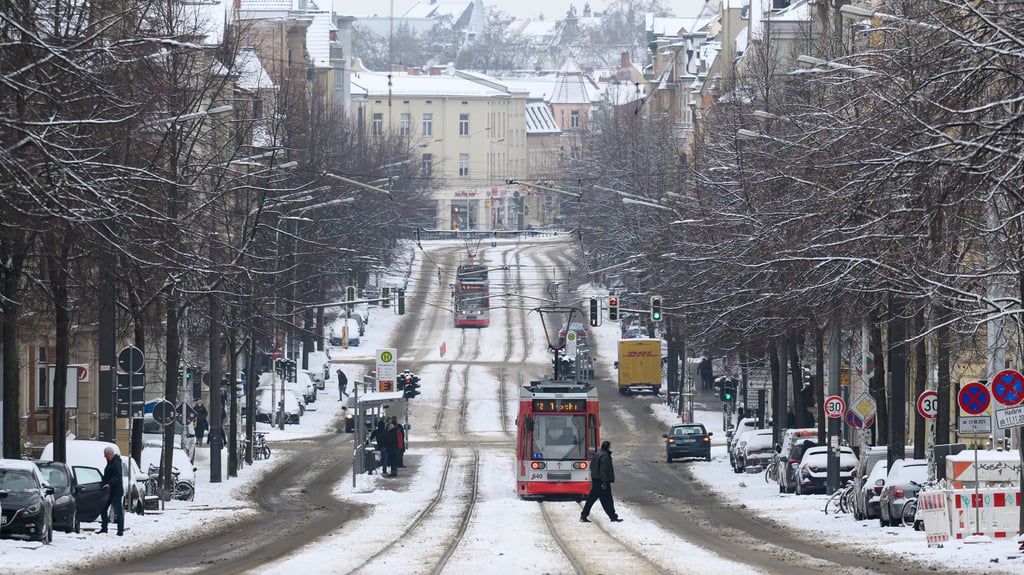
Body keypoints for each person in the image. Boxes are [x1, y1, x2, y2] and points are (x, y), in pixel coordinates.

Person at [580, 440, 622, 523]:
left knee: (591, 500)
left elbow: (592, 467)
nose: (610, 448)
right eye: (610, 447)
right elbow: (604, 470)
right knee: (607, 500)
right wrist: (604, 482)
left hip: (596, 481)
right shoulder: (605, 456)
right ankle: (613, 517)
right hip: (602, 481)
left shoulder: (597, 454)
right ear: (607, 447)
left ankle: (583, 515)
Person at [99, 446, 125, 536]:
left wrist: (109, 484)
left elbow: (118, 476)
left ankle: (120, 531)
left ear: (109, 454)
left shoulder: (116, 463)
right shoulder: (110, 463)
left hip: (116, 491)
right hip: (109, 491)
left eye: (105, 455)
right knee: (103, 508)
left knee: (118, 511)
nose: (105, 457)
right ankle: (104, 528)